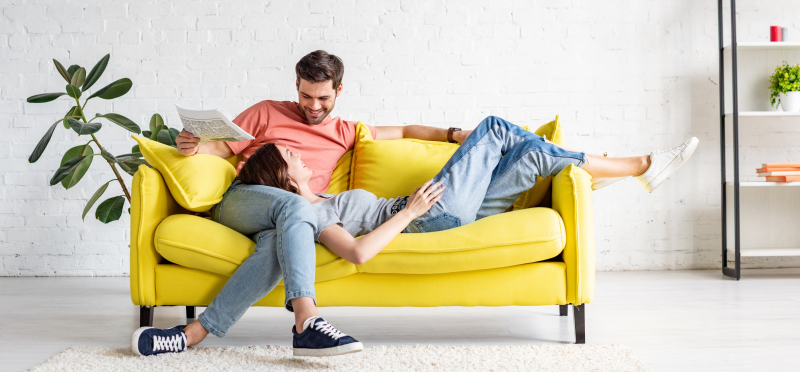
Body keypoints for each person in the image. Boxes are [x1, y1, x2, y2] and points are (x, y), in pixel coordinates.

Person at [132, 50, 475, 358]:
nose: (313, 106)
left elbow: (401, 131)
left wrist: (453, 134)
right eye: (305, 95)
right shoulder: (265, 112)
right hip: (244, 200)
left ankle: (190, 335)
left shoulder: (344, 131)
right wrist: (192, 147)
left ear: (338, 91)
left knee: (276, 247)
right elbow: (220, 150)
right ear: (296, 85)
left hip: (291, 219)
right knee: (298, 208)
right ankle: (306, 321)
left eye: (323, 97)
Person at [236, 116, 699, 271]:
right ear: (285, 177)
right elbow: (357, 253)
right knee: (496, 127)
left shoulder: (314, 200)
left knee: (536, 156)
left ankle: (639, 170)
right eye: (290, 157)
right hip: (426, 213)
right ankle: (638, 165)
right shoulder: (310, 215)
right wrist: (410, 209)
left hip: (450, 211)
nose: (300, 157)